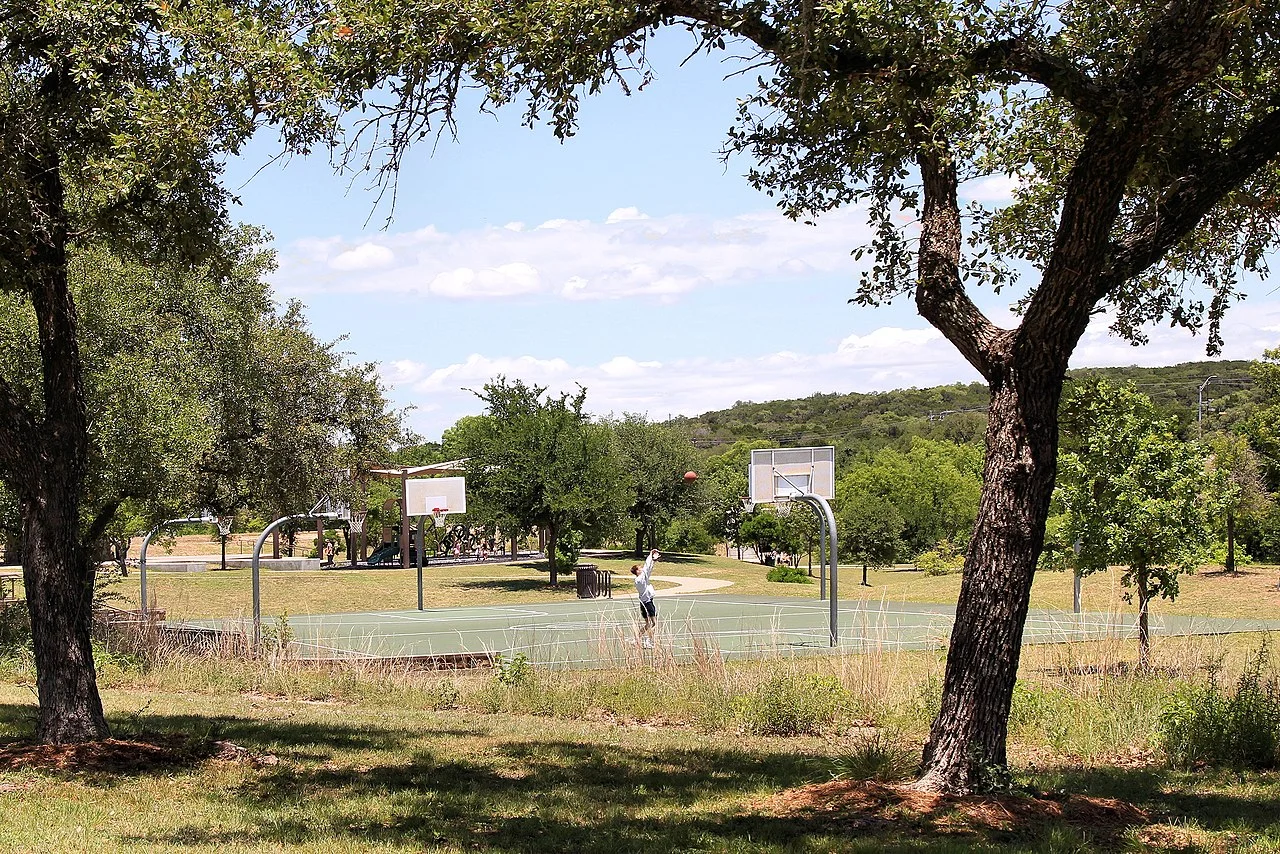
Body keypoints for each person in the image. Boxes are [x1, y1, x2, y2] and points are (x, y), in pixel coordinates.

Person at [630, 548, 660, 649]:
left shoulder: (641, 578)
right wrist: (650, 555)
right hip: (647, 603)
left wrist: (653, 560)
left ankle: (636, 639)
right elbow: (647, 567)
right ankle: (648, 641)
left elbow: (649, 569)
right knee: (654, 623)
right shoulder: (640, 579)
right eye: (640, 568)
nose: (642, 569)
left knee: (648, 624)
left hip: (643, 603)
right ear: (637, 571)